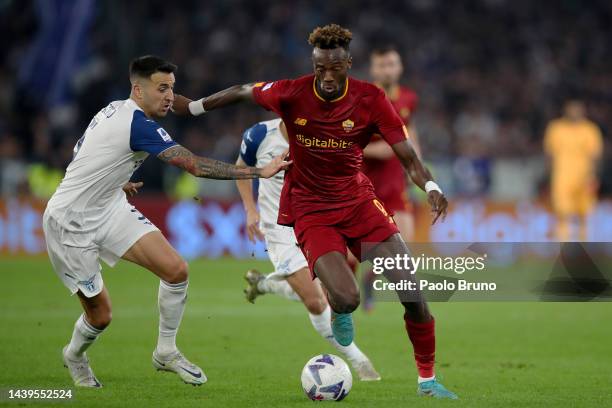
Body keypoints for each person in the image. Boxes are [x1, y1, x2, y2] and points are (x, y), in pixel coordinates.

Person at [173, 24, 457, 398]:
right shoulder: (292, 92)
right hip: (310, 210)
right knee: (346, 298)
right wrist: (193, 107)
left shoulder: (370, 98)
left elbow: (408, 156)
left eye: (333, 68)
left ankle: (427, 380)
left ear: (348, 65)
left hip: (358, 202)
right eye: (319, 67)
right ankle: (341, 312)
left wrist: (432, 187)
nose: (325, 76)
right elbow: (244, 90)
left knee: (411, 290)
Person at [43, 55, 289, 388]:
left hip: (109, 206)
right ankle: (74, 355)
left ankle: (166, 350)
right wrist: (260, 171)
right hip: (69, 223)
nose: (170, 97)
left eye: (172, 88)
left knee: (176, 270)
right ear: (138, 90)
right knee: (100, 316)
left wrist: (114, 180)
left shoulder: (114, 109)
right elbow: (195, 166)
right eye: (162, 89)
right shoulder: (138, 124)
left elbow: (82, 150)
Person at [236, 118, 380, 381]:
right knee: (315, 301)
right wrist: (249, 208)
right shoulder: (258, 135)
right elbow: (241, 169)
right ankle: (359, 360)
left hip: (314, 222)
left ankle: (265, 284)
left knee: (327, 291)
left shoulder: (320, 138)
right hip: (278, 228)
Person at [361, 45, 421, 312]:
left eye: (392, 64)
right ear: (373, 69)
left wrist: (416, 163)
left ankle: (370, 279)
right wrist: (380, 149)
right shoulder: (362, 98)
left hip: (396, 184)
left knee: (404, 250)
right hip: (363, 184)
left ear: (400, 67)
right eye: (382, 65)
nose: (387, 69)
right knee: (354, 251)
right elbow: (347, 142)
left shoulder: (409, 98)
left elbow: (410, 133)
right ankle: (337, 302)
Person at [544, 99, 603, 241]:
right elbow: (549, 154)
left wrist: (593, 176)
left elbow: (595, 155)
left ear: (583, 112)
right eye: (572, 109)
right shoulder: (555, 128)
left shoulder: (590, 129)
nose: (574, 113)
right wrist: (548, 175)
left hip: (584, 176)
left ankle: (584, 246)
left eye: (577, 110)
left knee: (585, 213)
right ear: (566, 111)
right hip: (562, 177)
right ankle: (563, 246)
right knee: (562, 213)